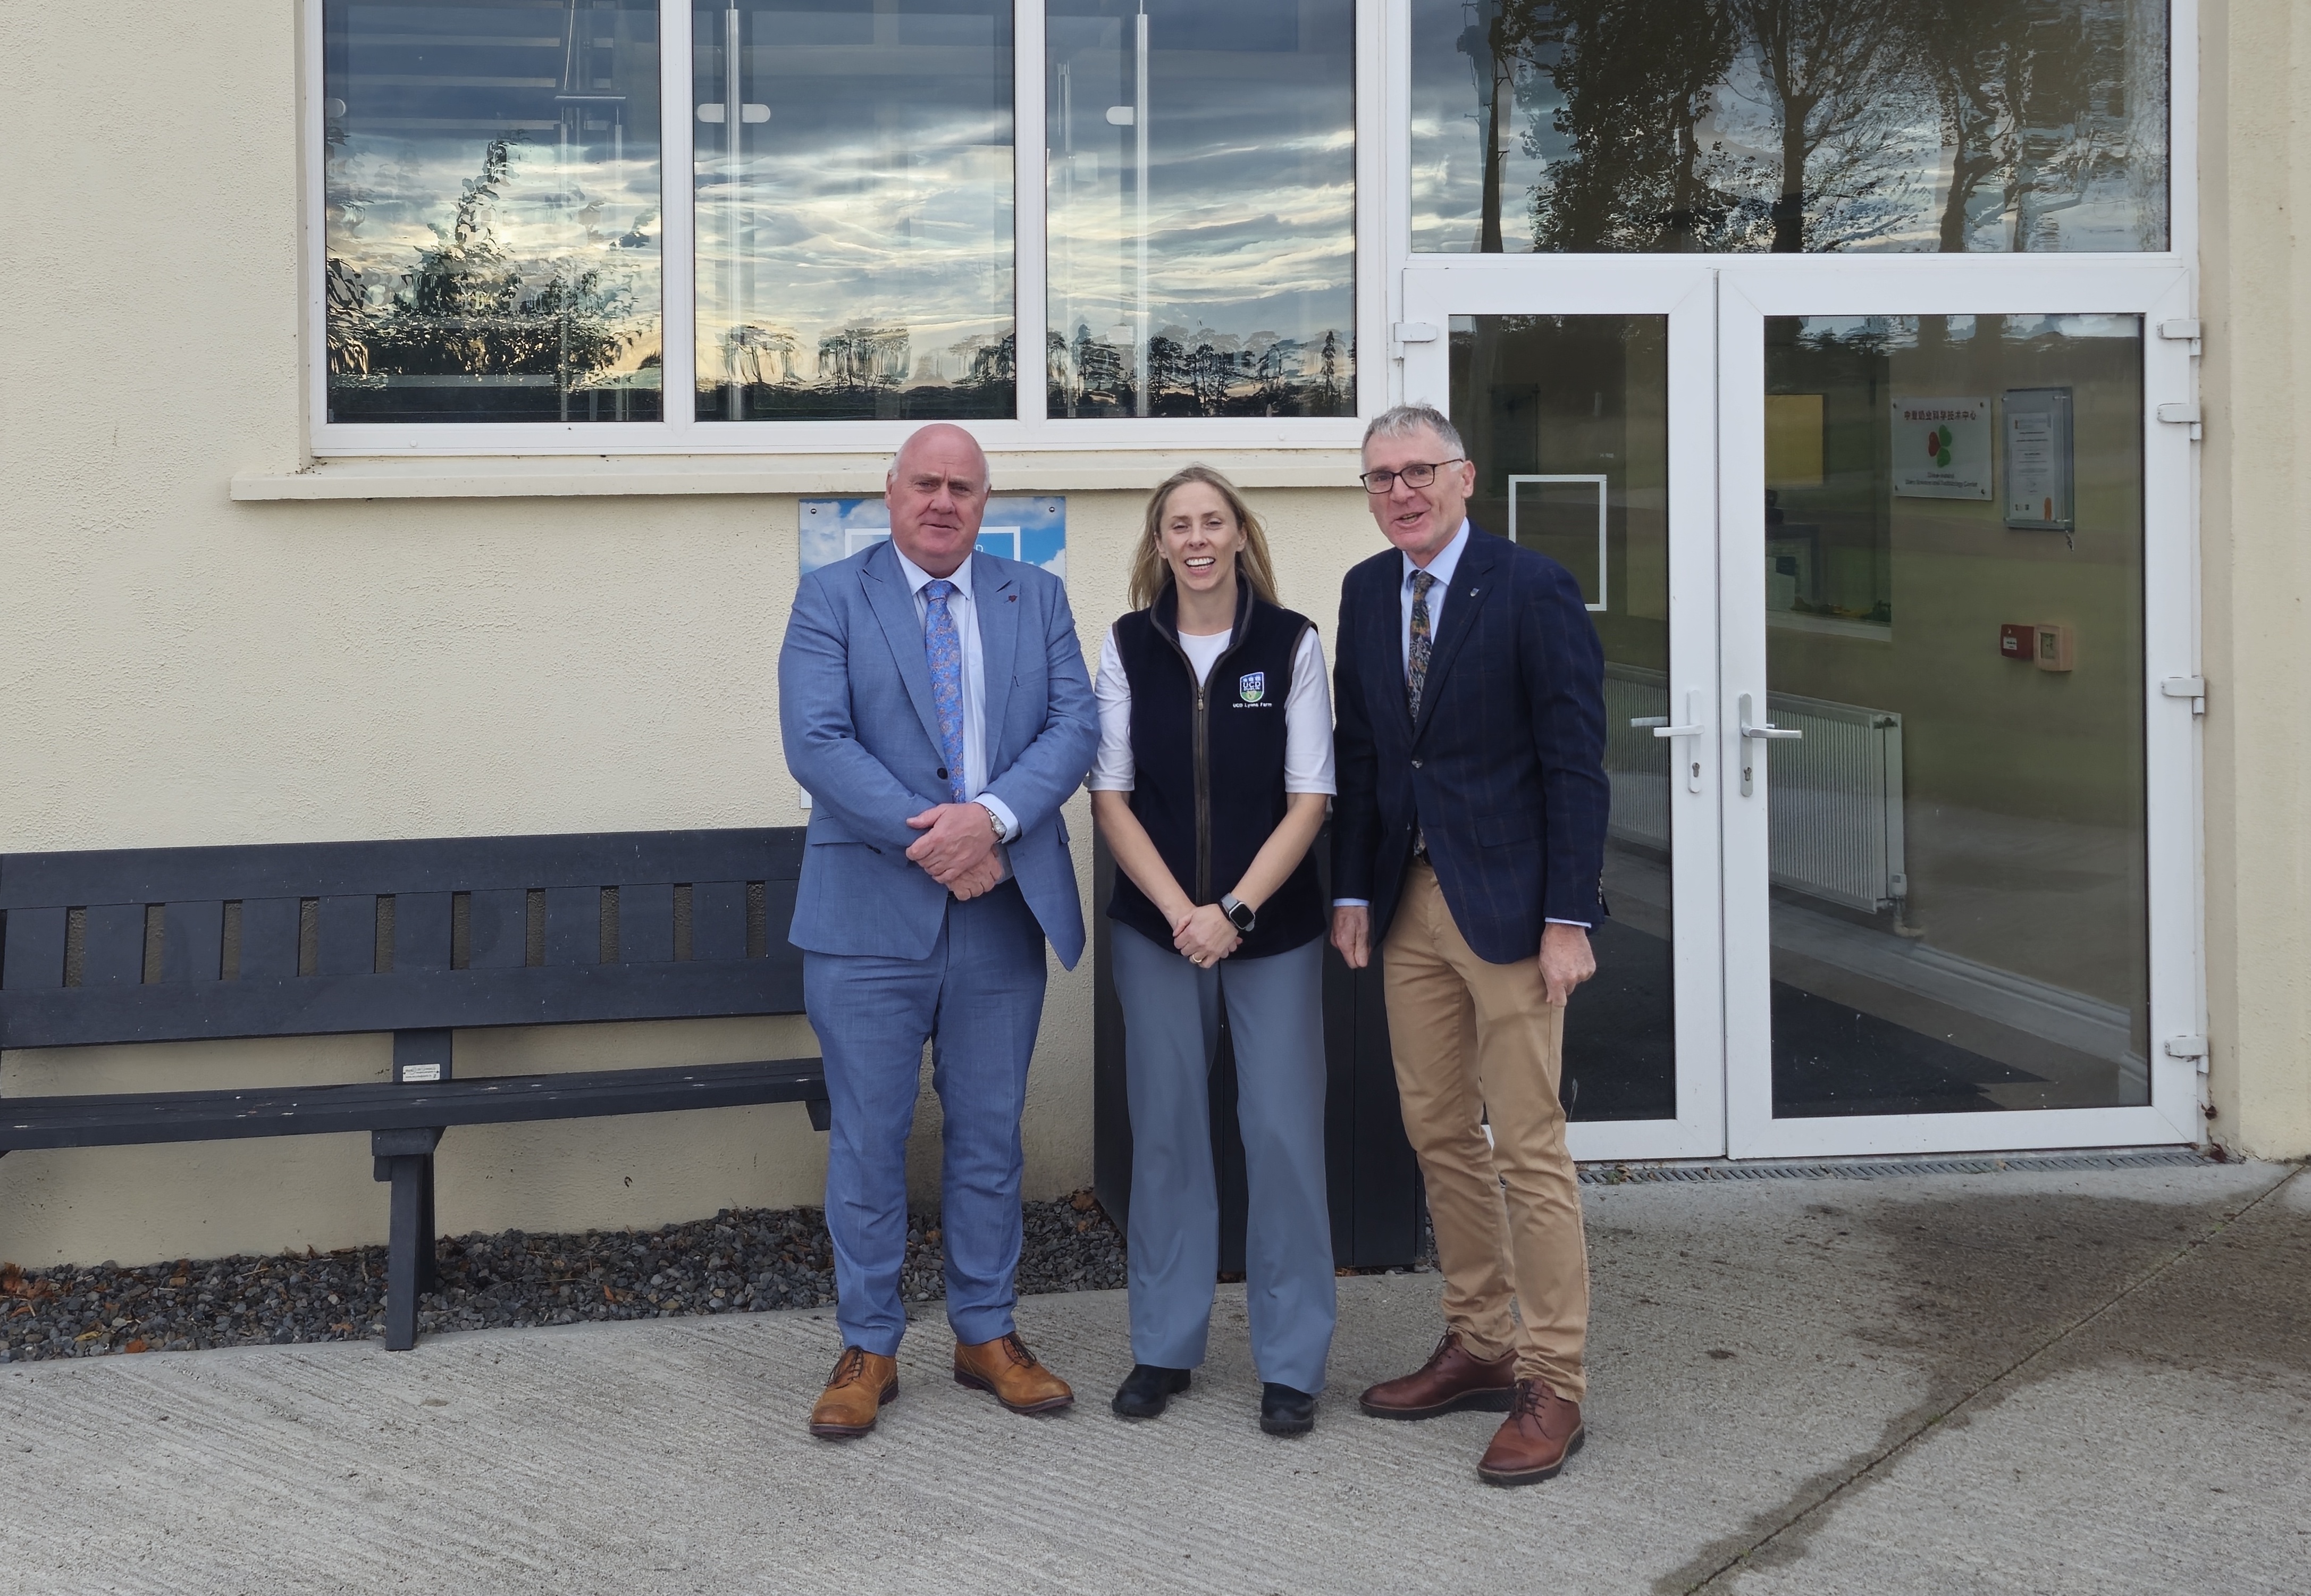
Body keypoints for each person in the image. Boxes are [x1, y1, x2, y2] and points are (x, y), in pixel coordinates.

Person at [779, 423, 1099, 1439]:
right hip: (868, 914)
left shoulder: (1033, 596)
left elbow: (1075, 727)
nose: (943, 502)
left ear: (984, 501)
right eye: (926, 483)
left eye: (963, 487)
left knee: (991, 1137)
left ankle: (985, 1333)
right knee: (869, 1141)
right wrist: (942, 841)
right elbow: (817, 742)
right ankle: (870, 1346)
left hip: (1000, 911)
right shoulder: (833, 597)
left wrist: (993, 821)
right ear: (890, 492)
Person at [1330, 404, 1609, 1486]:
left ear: (1463, 477)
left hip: (1507, 914)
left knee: (1527, 1144)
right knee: (1437, 1130)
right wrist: (1352, 889)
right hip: (1404, 908)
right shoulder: (1362, 592)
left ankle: (1553, 1378)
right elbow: (1364, 759)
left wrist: (1567, 918)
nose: (1398, 491)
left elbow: (1575, 764)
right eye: (1378, 478)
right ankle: (1479, 1341)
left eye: (1416, 471)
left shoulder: (1527, 586)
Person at [1090, 466, 1338, 1438]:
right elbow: (1109, 795)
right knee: (1167, 1134)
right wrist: (1182, 911)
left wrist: (1231, 908)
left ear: (1240, 535)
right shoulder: (1125, 646)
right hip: (1158, 930)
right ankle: (1163, 1345)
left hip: (1270, 929)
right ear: (1159, 544)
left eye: (1213, 522)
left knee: (1281, 1135)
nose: (1196, 539)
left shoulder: (1290, 642)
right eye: (1178, 525)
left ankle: (1292, 1361)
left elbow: (1309, 796)